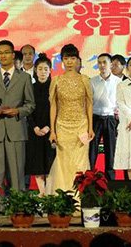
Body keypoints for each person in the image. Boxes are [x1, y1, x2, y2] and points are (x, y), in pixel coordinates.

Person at [0, 40, 35, 191]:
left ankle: (17, 201)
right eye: (0, 53)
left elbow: (30, 104)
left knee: (17, 172)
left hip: (16, 130)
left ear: (13, 55)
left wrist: (17, 111)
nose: (3, 56)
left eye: (6, 52)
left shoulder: (24, 78)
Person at [48, 44, 93, 192]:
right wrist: (52, 131)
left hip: (81, 126)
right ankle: (63, 195)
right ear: (62, 60)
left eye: (72, 58)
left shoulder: (84, 79)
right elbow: (53, 106)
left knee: (80, 162)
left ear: (78, 60)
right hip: (62, 126)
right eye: (66, 58)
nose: (69, 62)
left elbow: (89, 104)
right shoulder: (56, 80)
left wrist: (90, 128)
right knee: (63, 161)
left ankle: (79, 196)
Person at [25, 53, 55, 195]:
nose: (43, 72)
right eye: (40, 69)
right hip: (34, 130)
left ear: (50, 71)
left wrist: (49, 126)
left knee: (50, 161)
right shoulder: (30, 88)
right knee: (37, 162)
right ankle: (42, 193)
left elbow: (57, 109)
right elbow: (28, 110)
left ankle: (49, 193)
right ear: (35, 71)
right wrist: (35, 127)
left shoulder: (54, 88)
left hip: (51, 130)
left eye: (46, 69)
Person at [89, 53, 121, 180]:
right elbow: (88, 102)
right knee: (91, 152)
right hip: (95, 118)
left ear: (111, 64)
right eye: (99, 62)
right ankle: (89, 180)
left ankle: (110, 181)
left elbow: (121, 102)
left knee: (111, 152)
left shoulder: (118, 82)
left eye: (105, 62)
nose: (102, 65)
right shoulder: (92, 81)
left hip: (111, 119)